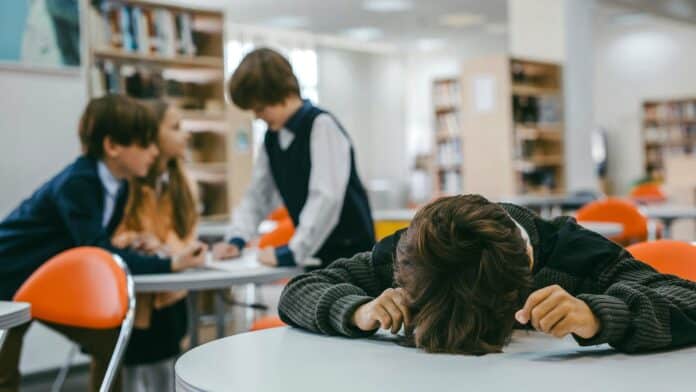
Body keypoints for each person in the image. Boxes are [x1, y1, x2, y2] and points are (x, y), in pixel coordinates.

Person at [278, 194, 696, 354]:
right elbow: (299, 291)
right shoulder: (411, 254)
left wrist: (601, 316)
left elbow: (689, 301)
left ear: (528, 267)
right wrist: (356, 310)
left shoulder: (571, 252)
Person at [0, 94, 206, 392]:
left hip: (39, 284)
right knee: (4, 375)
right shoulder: (78, 183)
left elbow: (98, 247)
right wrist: (169, 262)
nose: (153, 152)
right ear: (112, 147)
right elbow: (100, 253)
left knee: (109, 340)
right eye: (145, 144)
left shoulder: (118, 186)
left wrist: (134, 244)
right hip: (7, 279)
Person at [212, 48, 374, 268]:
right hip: (315, 253)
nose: (257, 116)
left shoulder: (321, 125)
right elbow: (258, 195)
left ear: (283, 93)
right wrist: (237, 238)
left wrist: (292, 252)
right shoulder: (272, 137)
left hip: (350, 254)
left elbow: (325, 198)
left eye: (260, 108)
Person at [111, 100, 197, 391]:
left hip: (170, 297)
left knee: (169, 371)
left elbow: (186, 234)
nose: (184, 135)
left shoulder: (179, 182)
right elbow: (115, 234)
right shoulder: (128, 183)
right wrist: (137, 240)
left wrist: (167, 246)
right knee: (135, 374)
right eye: (174, 128)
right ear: (152, 136)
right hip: (137, 298)